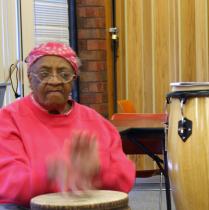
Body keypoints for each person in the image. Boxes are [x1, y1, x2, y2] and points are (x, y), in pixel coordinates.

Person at [0, 42, 135, 208]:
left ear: (73, 79)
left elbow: (124, 180)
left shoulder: (97, 122)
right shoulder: (8, 119)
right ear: (29, 78)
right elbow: (7, 183)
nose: (55, 80)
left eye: (64, 74)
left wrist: (97, 171)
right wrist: (51, 173)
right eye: (44, 73)